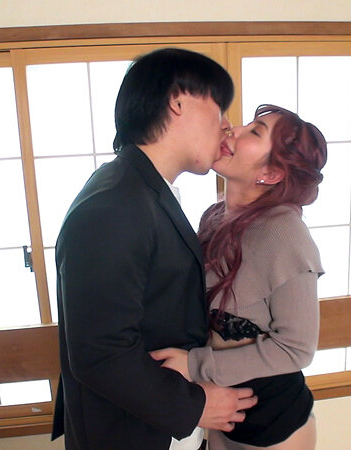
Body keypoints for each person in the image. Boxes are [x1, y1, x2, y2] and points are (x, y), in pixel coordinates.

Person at [51, 48, 258, 450]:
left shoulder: (141, 189)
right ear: (178, 101)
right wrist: (195, 406)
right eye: (219, 108)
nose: (226, 124)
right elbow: (100, 354)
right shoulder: (114, 204)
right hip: (129, 434)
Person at [151, 104, 328, 449]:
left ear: (271, 173)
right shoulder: (214, 217)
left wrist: (194, 365)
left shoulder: (286, 234)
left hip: (277, 425)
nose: (234, 129)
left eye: (255, 131)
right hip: (218, 414)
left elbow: (297, 349)